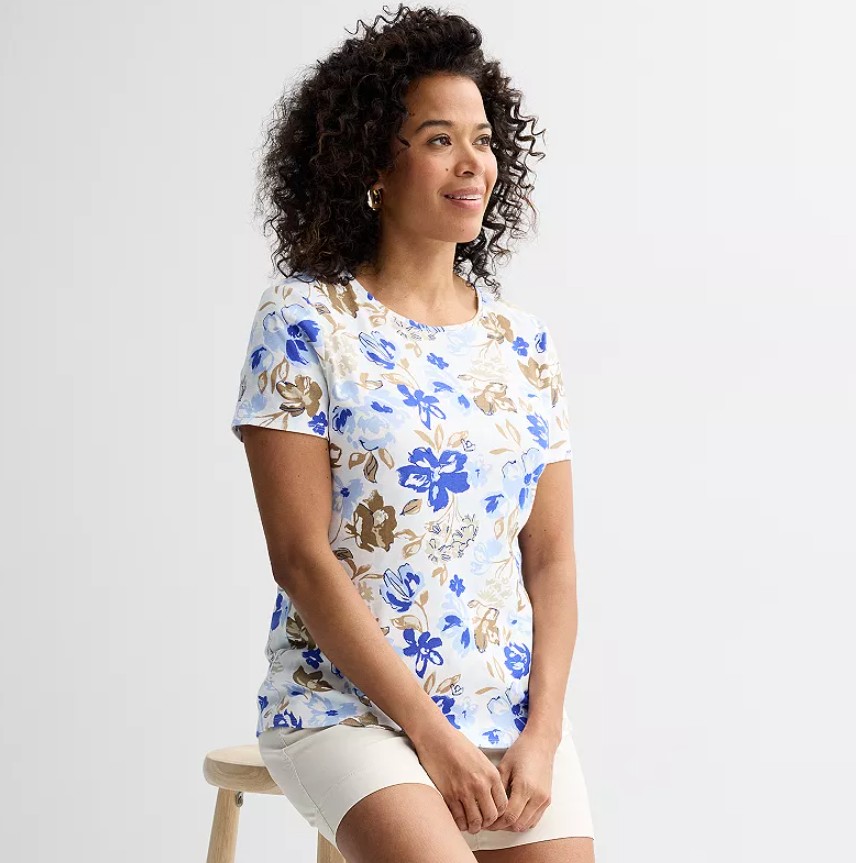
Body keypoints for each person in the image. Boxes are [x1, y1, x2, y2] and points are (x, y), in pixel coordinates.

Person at [229, 5, 596, 862]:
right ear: (373, 164)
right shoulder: (305, 320)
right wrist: (431, 735)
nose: (473, 163)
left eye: (483, 140)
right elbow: (301, 559)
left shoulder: (523, 345)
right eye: (439, 139)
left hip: (507, 717)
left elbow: (551, 560)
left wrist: (543, 733)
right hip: (347, 712)